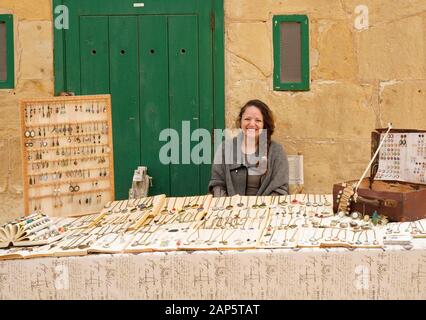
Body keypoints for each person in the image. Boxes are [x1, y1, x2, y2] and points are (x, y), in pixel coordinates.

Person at [208, 99, 289, 196]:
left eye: (258, 120)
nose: (252, 124)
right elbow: (217, 185)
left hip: (266, 209)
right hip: (231, 209)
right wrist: (229, 205)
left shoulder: (276, 151)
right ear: (240, 121)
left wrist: (261, 208)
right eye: (247, 119)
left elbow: (280, 189)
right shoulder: (225, 148)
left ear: (264, 125)